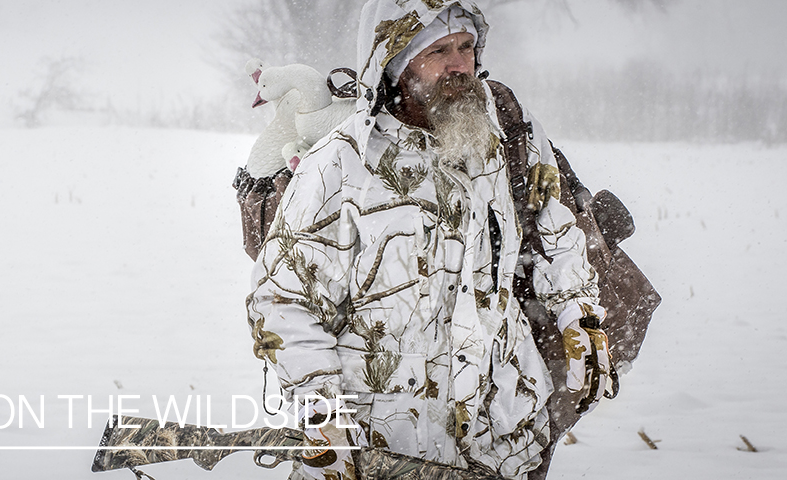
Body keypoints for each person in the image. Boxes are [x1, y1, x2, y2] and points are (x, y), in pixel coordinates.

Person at [244, 1, 615, 479]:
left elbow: (557, 237)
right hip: (381, 450)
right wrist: (324, 420)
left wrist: (579, 317)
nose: (459, 64)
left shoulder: (507, 137)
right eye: (438, 51)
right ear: (394, 64)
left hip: (503, 443)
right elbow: (283, 301)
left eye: (466, 47)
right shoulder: (341, 166)